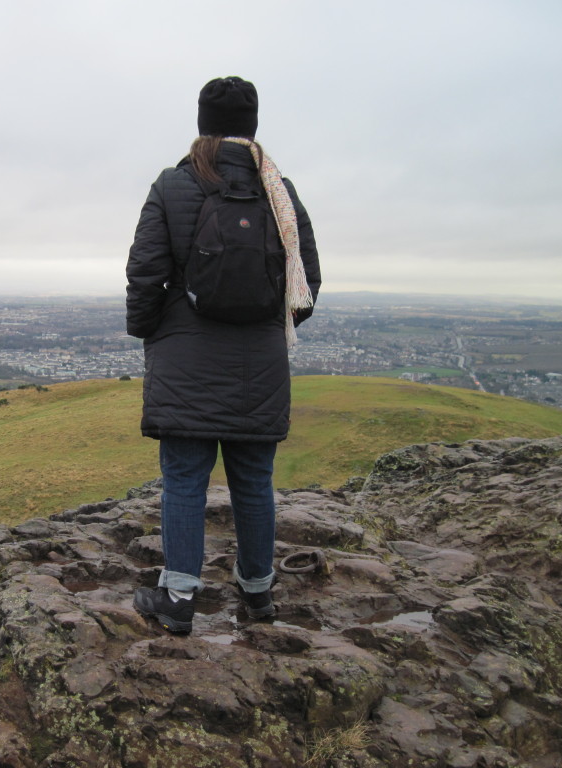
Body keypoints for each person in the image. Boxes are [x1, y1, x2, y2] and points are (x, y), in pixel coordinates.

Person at [126, 76, 321, 634]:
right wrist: (264, 325)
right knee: (253, 481)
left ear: (201, 123)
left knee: (185, 479)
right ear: (252, 125)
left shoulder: (175, 185)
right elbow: (307, 284)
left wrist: (154, 332)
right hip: (259, 363)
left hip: (185, 359)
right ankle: (258, 593)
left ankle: (180, 597)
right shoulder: (279, 190)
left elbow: (145, 274)